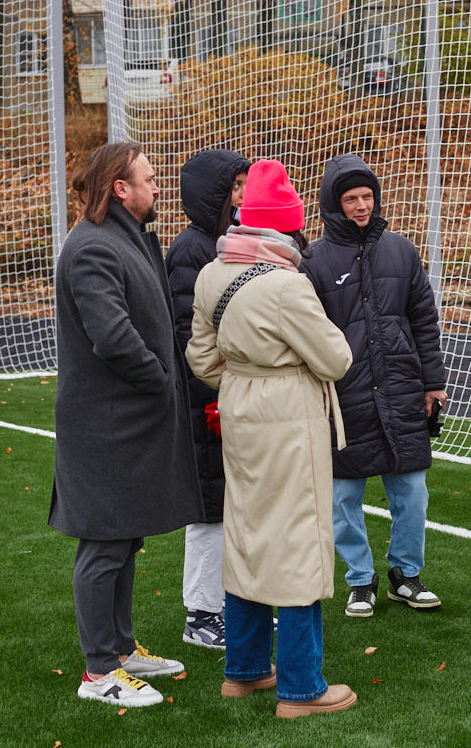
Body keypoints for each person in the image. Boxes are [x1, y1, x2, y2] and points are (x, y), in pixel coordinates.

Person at [186, 159, 357, 718]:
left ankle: (245, 671)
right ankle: (302, 687)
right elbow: (336, 358)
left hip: (238, 411)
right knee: (298, 542)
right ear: (286, 225)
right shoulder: (288, 285)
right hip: (289, 418)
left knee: (247, 534)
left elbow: (201, 358)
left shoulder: (214, 272)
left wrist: (245, 377)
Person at [52, 141, 205, 707]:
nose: (158, 185)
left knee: (125, 537)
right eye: (150, 177)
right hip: (106, 427)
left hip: (130, 422)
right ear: (121, 188)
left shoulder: (128, 236)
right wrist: (162, 380)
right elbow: (112, 337)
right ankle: (99, 674)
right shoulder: (92, 246)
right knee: (104, 543)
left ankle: (119, 650)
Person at [302, 155, 447, 618]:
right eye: (350, 199)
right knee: (344, 497)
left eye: (367, 196)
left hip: (402, 390)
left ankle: (406, 576)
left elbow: (424, 319)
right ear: (333, 204)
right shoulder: (314, 261)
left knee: (412, 491)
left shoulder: (401, 252)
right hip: (344, 397)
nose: (361, 206)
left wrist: (432, 382)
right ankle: (360, 581)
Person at [165, 148, 251, 650]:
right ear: (214, 195)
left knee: (235, 506)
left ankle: (235, 606)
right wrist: (215, 392)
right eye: (235, 188)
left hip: (229, 397)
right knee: (209, 511)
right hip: (207, 403)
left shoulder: (228, 243)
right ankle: (201, 614)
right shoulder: (191, 250)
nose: (242, 197)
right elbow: (190, 336)